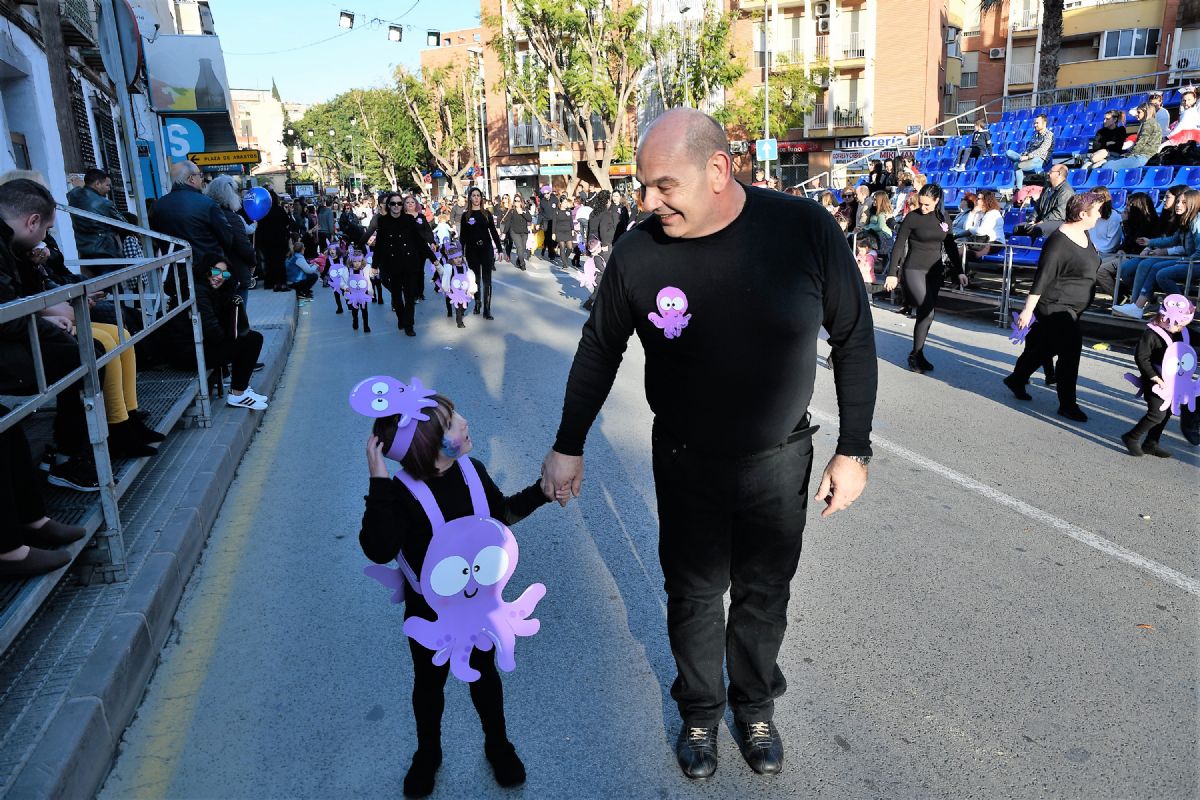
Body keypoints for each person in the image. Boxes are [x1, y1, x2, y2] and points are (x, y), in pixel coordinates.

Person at [539, 108, 877, 781]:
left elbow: (855, 336)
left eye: (664, 185)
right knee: (693, 594)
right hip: (686, 459)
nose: (648, 201)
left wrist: (855, 448)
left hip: (779, 460)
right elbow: (600, 347)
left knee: (763, 590)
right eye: (643, 186)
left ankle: (754, 705)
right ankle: (700, 709)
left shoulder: (802, 231)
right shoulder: (640, 250)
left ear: (717, 170)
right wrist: (567, 443)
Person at [359, 385, 555, 797]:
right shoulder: (399, 495)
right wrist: (379, 480)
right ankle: (427, 753)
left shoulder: (473, 470)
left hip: (478, 607)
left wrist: (541, 492)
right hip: (428, 614)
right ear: (428, 446)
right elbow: (377, 547)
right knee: (429, 684)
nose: (464, 422)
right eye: (451, 422)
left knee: (484, 675)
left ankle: (497, 744)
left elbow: (498, 514)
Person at [1002, 192, 1104, 422]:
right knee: (1071, 351)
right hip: (1056, 307)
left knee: (1045, 348)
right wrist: (1028, 310)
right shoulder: (1058, 242)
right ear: (1082, 214)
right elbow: (1042, 277)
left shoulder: (1084, 233)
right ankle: (1068, 404)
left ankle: (1017, 379)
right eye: (1096, 210)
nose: (1099, 215)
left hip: (1073, 308)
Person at [883, 184, 968, 373]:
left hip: (934, 271)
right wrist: (891, 273)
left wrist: (960, 270)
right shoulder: (912, 217)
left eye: (927, 205)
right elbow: (898, 246)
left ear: (937, 201)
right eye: (921, 203)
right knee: (927, 310)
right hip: (913, 269)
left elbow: (950, 245)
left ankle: (918, 353)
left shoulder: (944, 218)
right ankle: (915, 355)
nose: (923, 208)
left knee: (926, 314)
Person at [1120, 295, 1196, 458]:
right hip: (1155, 382)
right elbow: (1141, 357)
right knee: (1157, 414)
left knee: (1167, 412)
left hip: (1174, 382)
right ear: (1165, 318)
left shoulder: (1182, 331)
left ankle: (1151, 443)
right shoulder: (1151, 334)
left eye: (1184, 324)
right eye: (1179, 324)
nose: (1182, 327)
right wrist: (1154, 377)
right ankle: (1131, 437)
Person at [1113, 188, 1200, 318]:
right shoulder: (1186, 220)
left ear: (1192, 204)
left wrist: (1184, 261)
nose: (1178, 205)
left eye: (1183, 202)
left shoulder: (1196, 222)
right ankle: (1137, 307)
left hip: (1194, 263)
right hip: (1189, 260)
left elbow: (1199, 252)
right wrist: (1150, 242)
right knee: (1155, 268)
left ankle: (1184, 308)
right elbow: (1173, 239)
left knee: (1162, 274)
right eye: (1178, 202)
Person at [360, 192, 428, 336]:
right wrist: (374, 265)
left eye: (399, 203)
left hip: (410, 262)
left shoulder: (409, 219)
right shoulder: (383, 221)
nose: (396, 206)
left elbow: (419, 241)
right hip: (392, 264)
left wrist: (434, 259)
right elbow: (379, 245)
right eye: (393, 203)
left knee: (410, 296)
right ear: (388, 205)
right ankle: (401, 317)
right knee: (397, 297)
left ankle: (409, 325)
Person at [149, 160, 234, 272]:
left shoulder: (158, 205)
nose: (202, 178)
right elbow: (227, 238)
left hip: (174, 273)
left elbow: (155, 239)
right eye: (200, 175)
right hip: (208, 271)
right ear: (191, 179)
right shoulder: (207, 204)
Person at [204, 176, 256, 307]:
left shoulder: (205, 215)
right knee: (237, 317)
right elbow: (244, 247)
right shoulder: (232, 218)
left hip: (212, 273)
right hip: (234, 273)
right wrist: (253, 262)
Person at [66, 168, 128, 272]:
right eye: (107, 185)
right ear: (97, 184)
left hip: (84, 251)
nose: (109, 189)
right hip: (105, 251)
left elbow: (77, 192)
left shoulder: (73, 195)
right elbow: (125, 225)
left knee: (97, 286)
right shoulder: (104, 203)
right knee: (113, 285)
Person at [459, 187, 502, 319]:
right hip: (472, 251)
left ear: (481, 198)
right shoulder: (465, 215)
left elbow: (494, 232)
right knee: (475, 280)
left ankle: (487, 310)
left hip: (486, 249)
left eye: (478, 195)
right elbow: (463, 237)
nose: (476, 198)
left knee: (487, 280)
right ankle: (477, 302)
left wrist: (500, 249)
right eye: (474, 195)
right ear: (470, 198)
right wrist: (460, 254)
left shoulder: (487, 214)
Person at [1015, 163, 1074, 239]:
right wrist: (1032, 220)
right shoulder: (1047, 189)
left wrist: (1042, 221)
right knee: (1018, 228)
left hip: (1059, 222)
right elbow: (1037, 207)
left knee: (1039, 229)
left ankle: (1037, 250)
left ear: (1058, 174)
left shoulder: (1066, 191)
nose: (1048, 173)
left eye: (1051, 171)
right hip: (1043, 221)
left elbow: (1059, 213)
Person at [1104, 104, 1160, 171]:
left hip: (1142, 158)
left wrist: (1129, 155)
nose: (1137, 114)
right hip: (1145, 157)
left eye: (1139, 112)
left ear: (1146, 112)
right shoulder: (1152, 123)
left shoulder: (1148, 124)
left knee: (1107, 166)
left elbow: (1141, 143)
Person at [1005, 114, 1054, 189]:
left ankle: (1019, 189)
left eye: (1037, 123)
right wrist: (1024, 155)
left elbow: (1042, 150)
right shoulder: (1035, 136)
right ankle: (1019, 188)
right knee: (1008, 153)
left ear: (1044, 123)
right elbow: (1029, 148)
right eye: (1035, 123)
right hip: (1029, 159)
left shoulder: (1049, 135)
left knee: (1017, 165)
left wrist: (1028, 157)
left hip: (1040, 160)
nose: (1035, 125)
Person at [256, 189, 292, 291]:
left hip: (266, 241)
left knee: (269, 261)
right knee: (280, 262)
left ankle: (270, 283)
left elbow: (259, 226)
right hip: (279, 240)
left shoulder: (262, 211)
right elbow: (287, 223)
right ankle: (281, 283)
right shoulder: (279, 210)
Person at [958, 189, 1005, 260]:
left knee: (963, 253)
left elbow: (981, 231)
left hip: (994, 243)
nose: (976, 200)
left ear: (986, 200)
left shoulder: (994, 213)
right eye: (977, 198)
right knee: (958, 250)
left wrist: (970, 230)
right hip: (979, 241)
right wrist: (973, 212)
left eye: (979, 199)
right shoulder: (978, 213)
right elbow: (966, 228)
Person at [440, 242, 475, 328]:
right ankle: (459, 322)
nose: (458, 259)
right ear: (452, 259)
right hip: (455, 291)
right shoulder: (451, 268)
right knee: (458, 306)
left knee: (465, 305)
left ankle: (461, 313)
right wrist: (447, 288)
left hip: (464, 291)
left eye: (460, 257)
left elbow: (469, 277)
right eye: (455, 258)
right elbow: (447, 278)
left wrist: (471, 288)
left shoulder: (464, 267)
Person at [343, 247, 372, 333]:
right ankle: (355, 322)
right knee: (354, 310)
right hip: (353, 294)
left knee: (364, 310)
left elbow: (369, 278)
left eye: (359, 261)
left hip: (364, 293)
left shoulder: (365, 269)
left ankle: (366, 326)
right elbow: (343, 281)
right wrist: (345, 287)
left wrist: (374, 273)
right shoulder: (347, 270)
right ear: (351, 261)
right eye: (354, 261)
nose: (357, 263)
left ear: (362, 261)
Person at [1086, 187, 1122, 256]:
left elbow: (1112, 245)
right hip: (1090, 252)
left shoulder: (1114, 217)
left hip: (1106, 254)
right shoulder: (1089, 214)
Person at [503, 194, 531, 271]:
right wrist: (504, 233)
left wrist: (522, 213)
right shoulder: (512, 211)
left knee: (523, 248)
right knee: (519, 247)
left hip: (524, 232)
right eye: (515, 201)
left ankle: (518, 261)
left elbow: (529, 219)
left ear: (521, 202)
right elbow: (508, 222)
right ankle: (522, 263)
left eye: (518, 201)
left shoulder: (525, 210)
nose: (516, 202)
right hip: (514, 231)